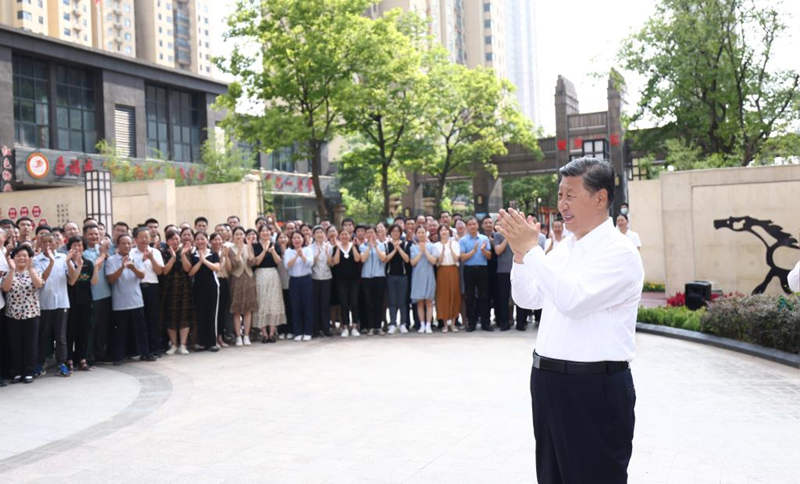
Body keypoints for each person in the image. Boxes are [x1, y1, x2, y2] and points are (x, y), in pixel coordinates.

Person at [499, 157, 642, 483]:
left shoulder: (620, 253)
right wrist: (521, 258)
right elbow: (529, 299)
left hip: (593, 388)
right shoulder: (564, 249)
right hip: (549, 383)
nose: (562, 204)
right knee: (552, 476)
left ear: (600, 198)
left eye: (570, 195)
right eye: (560, 195)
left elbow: (573, 300)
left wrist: (533, 252)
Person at [106, 234, 154, 364]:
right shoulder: (111, 260)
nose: (126, 246)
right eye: (123, 243)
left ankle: (145, 353)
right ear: (118, 245)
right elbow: (111, 279)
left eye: (128, 243)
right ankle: (119, 356)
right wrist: (122, 267)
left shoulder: (136, 258)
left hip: (136, 300)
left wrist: (133, 267)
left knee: (141, 330)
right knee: (120, 331)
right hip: (120, 302)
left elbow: (142, 275)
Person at [34, 232, 77, 377]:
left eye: (50, 242)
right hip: (44, 304)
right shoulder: (36, 260)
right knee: (44, 335)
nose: (47, 246)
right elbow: (42, 280)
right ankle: (40, 362)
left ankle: (62, 363)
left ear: (56, 243)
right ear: (39, 244)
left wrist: (70, 263)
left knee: (61, 336)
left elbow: (72, 280)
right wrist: (51, 262)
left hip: (62, 303)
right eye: (44, 242)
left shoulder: (63, 257)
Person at [3, 245, 45, 384]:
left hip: (31, 314)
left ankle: (29, 371)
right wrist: (12, 270)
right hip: (12, 314)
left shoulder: (35, 270)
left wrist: (31, 268)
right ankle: (16, 371)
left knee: (31, 344)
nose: (22, 258)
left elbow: (39, 285)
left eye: (25, 255)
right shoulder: (8, 273)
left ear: (29, 258)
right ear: (13, 258)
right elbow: (6, 288)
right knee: (15, 344)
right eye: (18, 255)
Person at [131, 226, 165, 357]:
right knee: (140, 319)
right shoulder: (131, 253)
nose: (145, 240)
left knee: (153, 318)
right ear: (136, 239)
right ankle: (142, 350)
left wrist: (151, 258)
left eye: (147, 237)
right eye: (142, 237)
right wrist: (141, 260)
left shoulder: (155, 252)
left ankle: (155, 348)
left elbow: (159, 271)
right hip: (136, 287)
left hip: (152, 287)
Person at [184, 232, 220, 352]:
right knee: (200, 315)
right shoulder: (192, 255)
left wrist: (204, 260)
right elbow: (190, 272)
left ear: (207, 240)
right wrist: (200, 261)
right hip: (198, 288)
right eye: (197, 239)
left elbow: (216, 268)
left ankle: (212, 342)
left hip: (212, 287)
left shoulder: (213, 254)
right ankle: (201, 342)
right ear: (194, 241)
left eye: (202, 239)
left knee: (211, 314)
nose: (200, 241)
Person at [66, 236, 97, 372]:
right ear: (70, 248)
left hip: (86, 302)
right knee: (70, 331)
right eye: (74, 246)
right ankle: (69, 359)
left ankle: (82, 358)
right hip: (70, 303)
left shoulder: (89, 263)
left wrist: (96, 266)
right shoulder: (66, 263)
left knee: (84, 331)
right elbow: (71, 281)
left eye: (80, 245)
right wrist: (76, 264)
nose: (77, 248)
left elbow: (94, 281)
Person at [159, 229, 193, 355]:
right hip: (169, 288)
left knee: (184, 315)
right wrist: (173, 257)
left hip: (184, 287)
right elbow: (164, 271)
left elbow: (188, 269)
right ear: (167, 241)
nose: (176, 241)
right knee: (171, 316)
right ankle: (174, 344)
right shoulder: (164, 252)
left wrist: (182, 255)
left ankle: (183, 345)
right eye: (172, 239)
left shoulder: (185, 250)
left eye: (177, 238)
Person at [250, 225, 285, 343]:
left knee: (273, 302)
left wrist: (273, 250)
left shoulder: (275, 245)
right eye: (263, 231)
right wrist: (264, 251)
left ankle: (272, 332)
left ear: (271, 232)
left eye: (267, 231)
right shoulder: (255, 246)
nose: (265, 233)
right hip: (260, 275)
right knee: (261, 302)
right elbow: (256, 262)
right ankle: (264, 333)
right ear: (259, 233)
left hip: (273, 275)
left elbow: (279, 261)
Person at [83, 224, 112, 363]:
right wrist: (102, 255)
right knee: (91, 328)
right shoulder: (84, 253)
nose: (94, 236)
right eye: (91, 234)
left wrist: (104, 253)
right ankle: (89, 356)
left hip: (106, 293)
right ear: (85, 235)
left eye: (96, 234)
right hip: (92, 296)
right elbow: (93, 267)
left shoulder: (104, 250)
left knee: (104, 327)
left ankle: (102, 354)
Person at [459, 217, 493, 332]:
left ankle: (486, 323)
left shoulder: (484, 239)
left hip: (482, 269)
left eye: (474, 224)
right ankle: (471, 323)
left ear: (478, 226)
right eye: (470, 224)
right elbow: (462, 258)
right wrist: (473, 252)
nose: (472, 226)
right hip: (469, 270)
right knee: (470, 297)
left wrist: (483, 250)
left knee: (484, 296)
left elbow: (489, 256)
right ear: (467, 226)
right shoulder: (463, 240)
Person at [227, 226, 258, 345]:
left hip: (249, 278)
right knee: (236, 310)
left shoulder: (248, 247)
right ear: (233, 236)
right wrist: (239, 251)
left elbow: (252, 262)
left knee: (248, 310)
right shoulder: (230, 249)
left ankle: (247, 335)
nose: (239, 236)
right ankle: (238, 336)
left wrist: (249, 249)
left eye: (241, 234)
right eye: (237, 234)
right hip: (236, 279)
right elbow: (234, 264)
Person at [285, 232, 314, 341]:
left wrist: (302, 256)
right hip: (294, 280)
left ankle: (308, 331)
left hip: (306, 279)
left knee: (307, 305)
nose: (296, 240)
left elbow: (310, 264)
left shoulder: (308, 250)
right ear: (291, 240)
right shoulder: (289, 251)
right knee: (295, 306)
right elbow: (287, 266)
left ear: (303, 239)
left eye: (299, 237)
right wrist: (296, 255)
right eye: (294, 238)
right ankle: (297, 331)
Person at [358, 226, 387, 335]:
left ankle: (378, 326)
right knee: (368, 302)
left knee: (379, 302)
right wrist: (369, 248)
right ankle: (370, 327)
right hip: (366, 277)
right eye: (368, 233)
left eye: (372, 233)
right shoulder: (362, 246)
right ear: (365, 235)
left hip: (379, 276)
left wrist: (376, 247)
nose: (371, 235)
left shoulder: (381, 245)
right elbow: (363, 259)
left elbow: (383, 258)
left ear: (376, 234)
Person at [410, 225, 439, 334]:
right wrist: (421, 251)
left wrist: (425, 251)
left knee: (429, 302)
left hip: (429, 275)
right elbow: (413, 262)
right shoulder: (413, 247)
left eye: (423, 232)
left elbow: (433, 261)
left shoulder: (432, 246)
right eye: (419, 233)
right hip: (417, 276)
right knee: (420, 302)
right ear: (416, 234)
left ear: (426, 233)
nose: (421, 234)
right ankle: (421, 324)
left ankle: (428, 325)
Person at [332, 229, 361, 337]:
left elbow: (358, 259)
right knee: (343, 303)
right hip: (341, 280)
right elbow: (336, 261)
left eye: (346, 234)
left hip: (354, 280)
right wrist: (339, 247)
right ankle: (345, 326)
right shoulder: (336, 247)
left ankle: (354, 326)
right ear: (339, 236)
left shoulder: (354, 246)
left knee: (354, 302)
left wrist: (353, 246)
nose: (344, 236)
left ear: (350, 236)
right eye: (342, 234)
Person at [384, 224, 411, 334]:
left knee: (402, 301)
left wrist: (399, 247)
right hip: (391, 276)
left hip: (403, 276)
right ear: (390, 233)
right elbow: (386, 259)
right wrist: (394, 249)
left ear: (401, 233)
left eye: (397, 231)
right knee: (392, 301)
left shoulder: (405, 244)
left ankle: (403, 323)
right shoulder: (386, 245)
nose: (395, 233)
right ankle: (393, 323)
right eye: (393, 231)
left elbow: (407, 259)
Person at [434, 224, 461, 333]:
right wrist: (443, 249)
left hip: (453, 270)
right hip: (442, 271)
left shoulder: (455, 244)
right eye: (442, 230)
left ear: (449, 232)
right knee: (442, 296)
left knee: (454, 295)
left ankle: (453, 324)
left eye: (446, 230)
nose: (444, 232)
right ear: (439, 233)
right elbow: (438, 262)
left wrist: (449, 247)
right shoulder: (436, 245)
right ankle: (445, 324)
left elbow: (456, 259)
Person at [311, 226, 334, 337]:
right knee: (315, 304)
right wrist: (317, 255)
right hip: (314, 278)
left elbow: (331, 263)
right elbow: (310, 264)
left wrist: (326, 253)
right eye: (317, 232)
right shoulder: (310, 248)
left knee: (325, 304)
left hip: (326, 278)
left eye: (321, 232)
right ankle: (316, 329)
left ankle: (326, 328)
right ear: (313, 235)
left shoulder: (329, 246)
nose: (319, 234)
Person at [492, 219, 515, 331]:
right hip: (502, 271)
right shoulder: (497, 235)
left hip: (515, 269)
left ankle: (520, 322)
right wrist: (507, 238)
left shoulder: (515, 233)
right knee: (503, 298)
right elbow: (498, 251)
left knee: (517, 297)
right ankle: (504, 323)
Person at [210, 233, 231, 348]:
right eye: (215, 239)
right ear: (211, 241)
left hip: (224, 282)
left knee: (222, 311)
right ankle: (214, 337)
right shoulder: (210, 253)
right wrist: (222, 257)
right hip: (213, 282)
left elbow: (229, 269)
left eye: (219, 239)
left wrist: (226, 256)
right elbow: (216, 270)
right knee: (214, 312)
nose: (218, 242)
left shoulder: (225, 252)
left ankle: (220, 337)